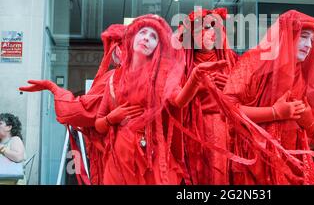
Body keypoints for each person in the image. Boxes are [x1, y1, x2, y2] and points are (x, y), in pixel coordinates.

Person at [224, 10, 314, 184]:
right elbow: (228, 108)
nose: (309, 45)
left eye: (311, 40)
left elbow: (311, 132)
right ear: (286, 35)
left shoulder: (302, 76)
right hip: (254, 161)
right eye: (304, 37)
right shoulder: (253, 62)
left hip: (291, 164)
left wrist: (307, 119)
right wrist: (274, 112)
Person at [19, 24, 126, 185]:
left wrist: (53, 88)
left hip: (120, 162)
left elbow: (79, 111)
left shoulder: (116, 79)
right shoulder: (149, 77)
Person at [94, 14, 184, 185]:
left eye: (153, 37)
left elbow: (178, 100)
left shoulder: (161, 77)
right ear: (133, 38)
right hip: (120, 157)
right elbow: (99, 124)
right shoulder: (113, 79)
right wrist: (112, 118)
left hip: (153, 157)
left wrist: (195, 80)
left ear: (157, 47)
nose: (146, 38)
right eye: (143, 32)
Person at [170, 8, 238, 184]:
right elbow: (175, 101)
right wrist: (196, 86)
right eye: (204, 28)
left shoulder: (231, 62)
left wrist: (231, 88)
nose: (211, 33)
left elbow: (245, 96)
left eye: (214, 27)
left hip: (224, 129)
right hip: (192, 131)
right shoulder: (183, 65)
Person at [0, 113, 25, 185]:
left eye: (0, 123)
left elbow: (18, 157)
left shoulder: (15, 139)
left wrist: (2, 149)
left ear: (9, 127)